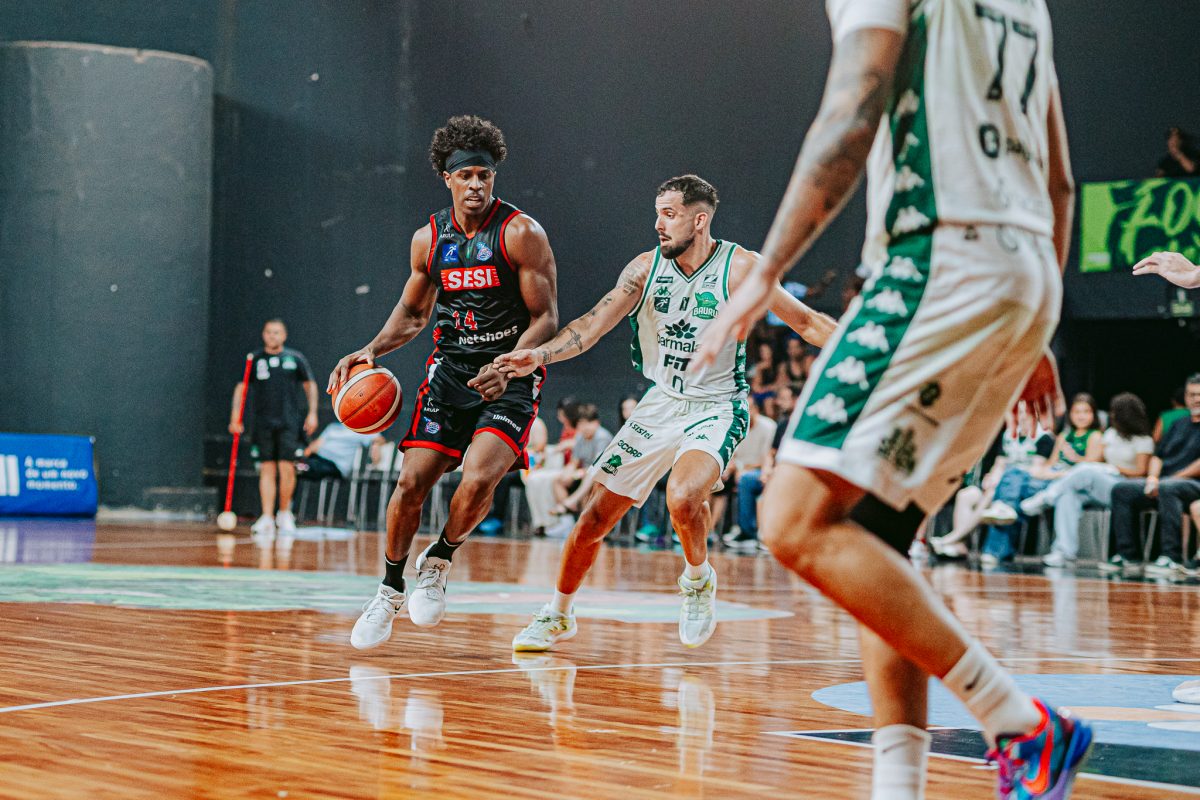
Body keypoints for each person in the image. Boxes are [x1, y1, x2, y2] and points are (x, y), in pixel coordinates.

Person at [693, 1, 1091, 798]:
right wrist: (1033, 317)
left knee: (791, 518)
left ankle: (1017, 720)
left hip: (938, 258)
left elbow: (853, 110)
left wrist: (766, 273)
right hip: (1024, 271)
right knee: (876, 534)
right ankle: (897, 785)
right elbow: (1059, 180)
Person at [498, 174, 835, 651]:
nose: (658, 224)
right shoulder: (643, 270)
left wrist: (871, 352)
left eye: (670, 215)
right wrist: (540, 355)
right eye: (657, 213)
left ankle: (697, 581)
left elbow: (807, 322)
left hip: (717, 404)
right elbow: (591, 326)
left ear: (699, 221)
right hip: (660, 404)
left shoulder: (740, 268)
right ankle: (558, 613)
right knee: (592, 522)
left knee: (683, 496)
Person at [329, 115, 558, 649]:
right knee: (410, 484)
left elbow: (545, 317)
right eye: (466, 176)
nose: (476, 184)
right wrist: (371, 349)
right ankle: (389, 589)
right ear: (447, 178)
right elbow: (414, 314)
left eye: (485, 175)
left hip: (509, 375)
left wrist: (510, 363)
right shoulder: (429, 239)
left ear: (493, 177)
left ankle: (440, 558)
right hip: (450, 373)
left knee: (477, 479)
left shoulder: (521, 233)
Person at [1022, 393, 1154, 566]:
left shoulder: (1143, 440)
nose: (1111, 415)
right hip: (1103, 480)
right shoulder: (1110, 434)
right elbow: (1097, 460)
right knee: (1068, 495)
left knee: (1085, 469)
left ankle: (1046, 497)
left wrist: (1115, 468)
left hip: (1123, 487)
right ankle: (1064, 552)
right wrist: (1080, 459)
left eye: (1115, 412)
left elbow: (1141, 471)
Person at [977, 393, 1102, 564]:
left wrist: (1073, 460)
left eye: (1086, 412)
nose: (1081, 416)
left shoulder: (1095, 436)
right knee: (1013, 479)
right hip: (1051, 477)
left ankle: (996, 549)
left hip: (1067, 482)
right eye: (1077, 412)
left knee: (1011, 494)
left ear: (1093, 414)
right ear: (1070, 414)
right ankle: (1004, 513)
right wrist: (1041, 472)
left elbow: (1088, 469)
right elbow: (1051, 463)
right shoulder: (1064, 436)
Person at [229, 319, 318, 540]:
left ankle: (285, 514)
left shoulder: (295, 358)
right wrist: (235, 417)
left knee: (287, 468)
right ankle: (267, 517)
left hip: (289, 422)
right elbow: (241, 388)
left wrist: (312, 413)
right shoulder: (254, 359)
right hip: (263, 423)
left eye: (277, 332)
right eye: (269, 332)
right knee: (266, 469)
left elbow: (310, 385)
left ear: (284, 335)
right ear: (263, 335)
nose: (272, 336)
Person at [1103, 376, 1200, 577]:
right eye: (1192, 394)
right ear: (1185, 397)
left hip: (1192, 484)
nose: (1196, 399)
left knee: (1168, 488)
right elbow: (1158, 456)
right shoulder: (1178, 423)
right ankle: (1128, 555)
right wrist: (1153, 478)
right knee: (1122, 489)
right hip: (1164, 482)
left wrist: (1173, 478)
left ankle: (1171, 558)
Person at [547, 404, 613, 536]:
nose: (584, 427)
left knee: (590, 477)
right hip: (583, 474)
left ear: (596, 423)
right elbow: (574, 462)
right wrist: (568, 472)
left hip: (602, 475)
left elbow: (598, 465)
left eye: (588, 423)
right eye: (581, 424)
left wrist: (582, 472)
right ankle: (567, 522)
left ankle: (574, 504)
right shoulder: (580, 436)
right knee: (558, 481)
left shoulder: (602, 437)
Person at [298, 422, 383, 482]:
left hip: (337, 466)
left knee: (309, 466)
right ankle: (298, 465)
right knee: (295, 462)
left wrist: (375, 447)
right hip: (318, 458)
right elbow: (315, 446)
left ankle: (300, 467)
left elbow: (379, 439)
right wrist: (302, 454)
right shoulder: (332, 427)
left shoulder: (360, 430)